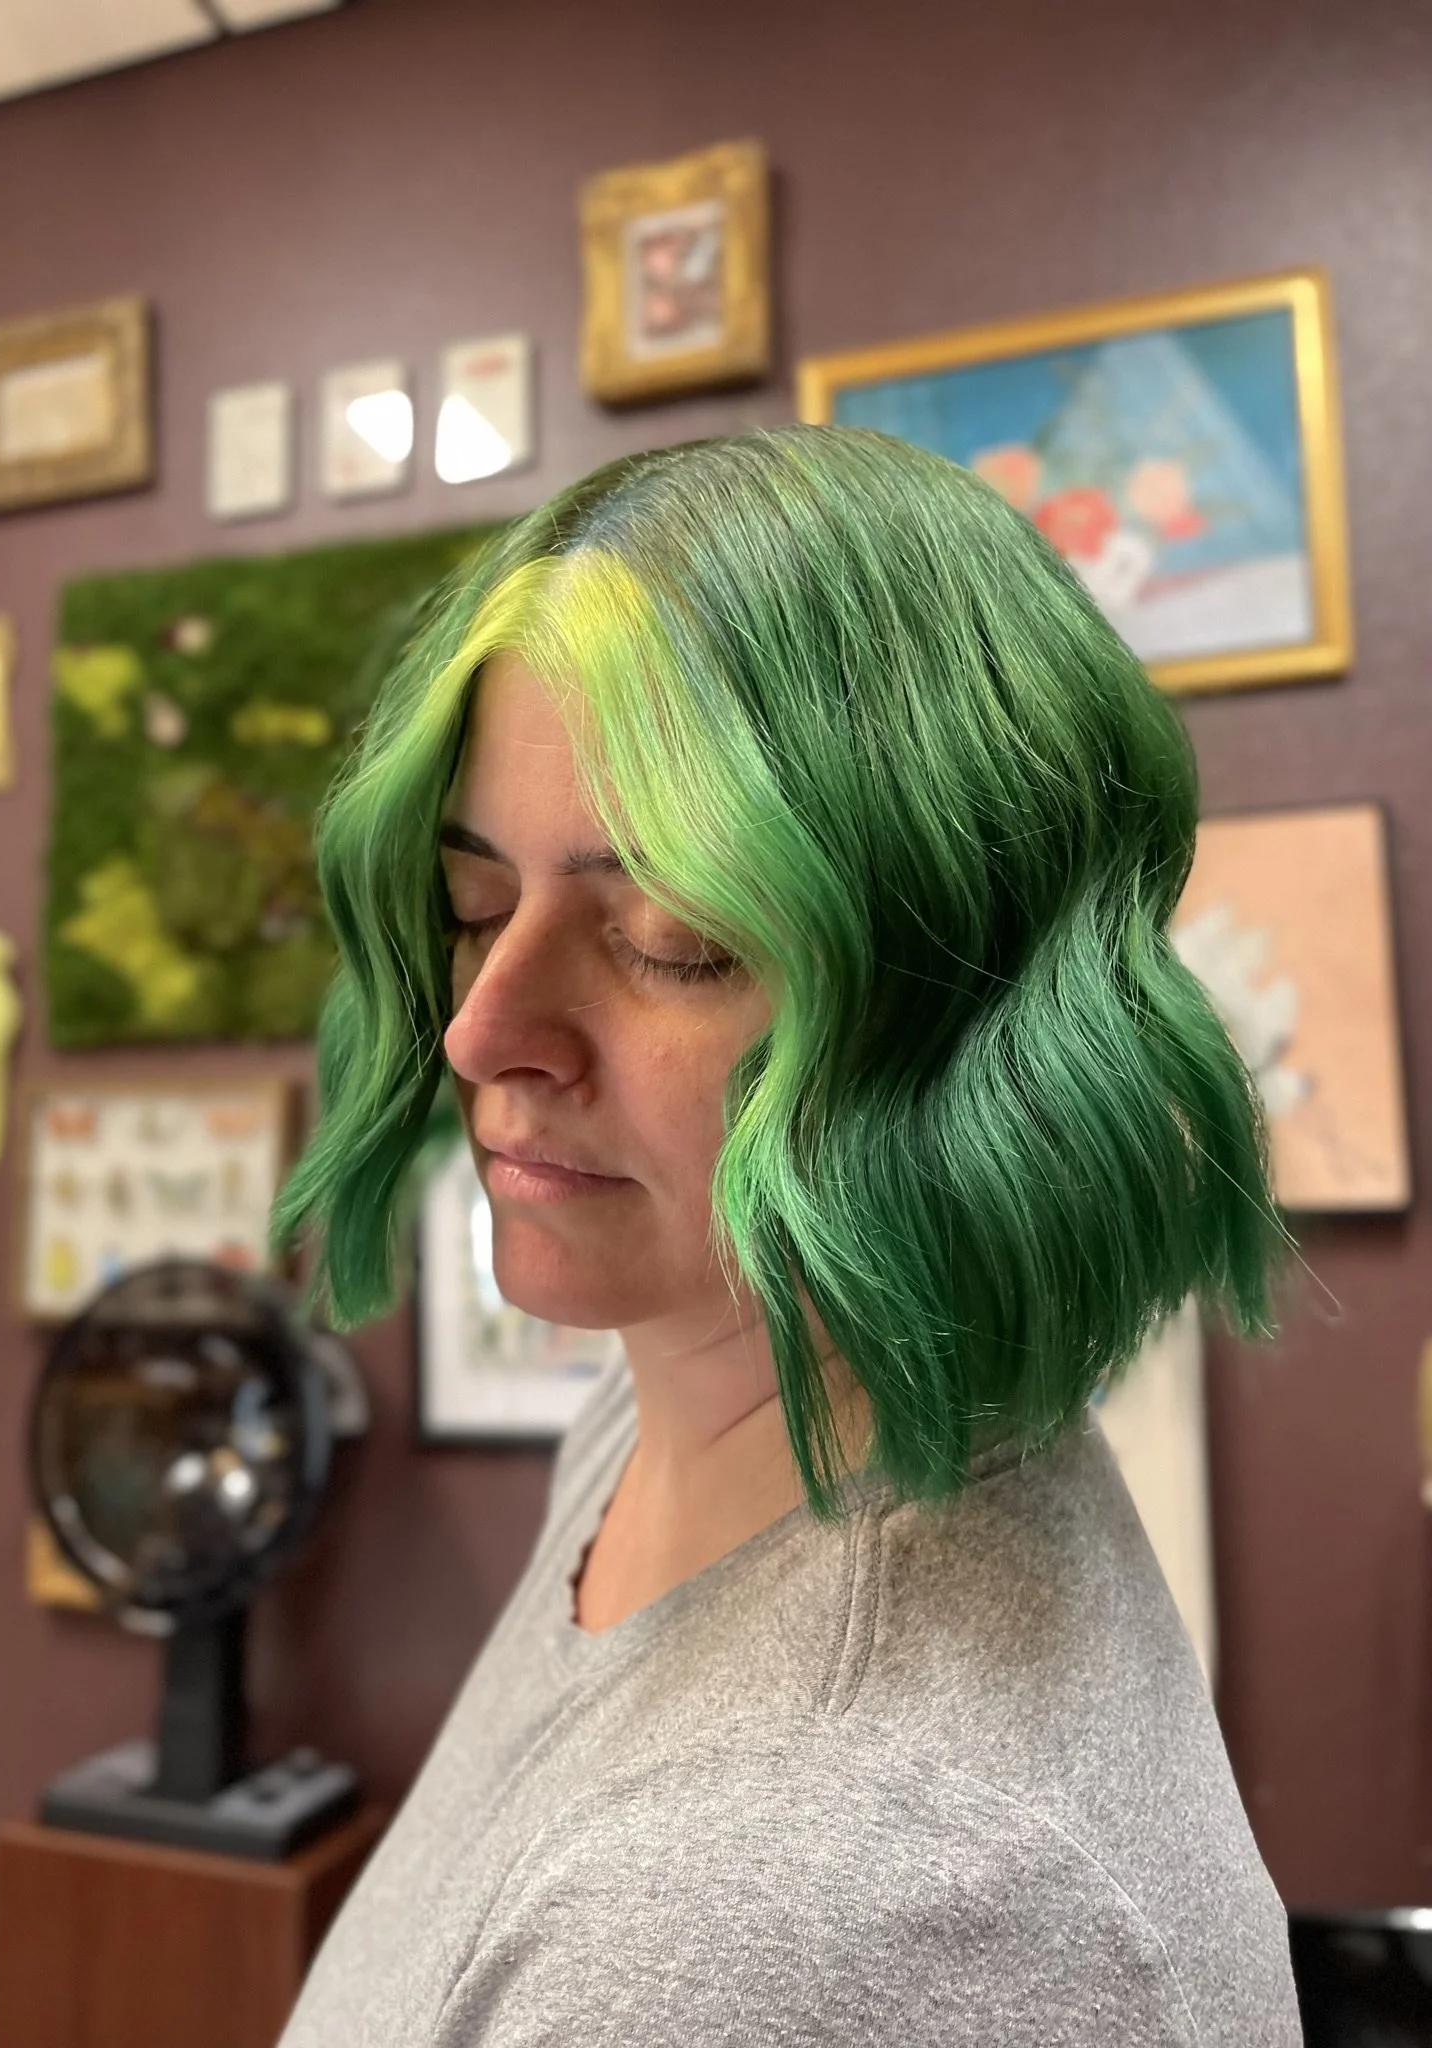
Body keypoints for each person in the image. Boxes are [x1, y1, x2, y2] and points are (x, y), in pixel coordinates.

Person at [274, 426, 1303, 2045]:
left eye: (669, 937)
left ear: (963, 1012)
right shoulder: (676, 1403)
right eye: (476, 908)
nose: (484, 1029)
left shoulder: (794, 1913)